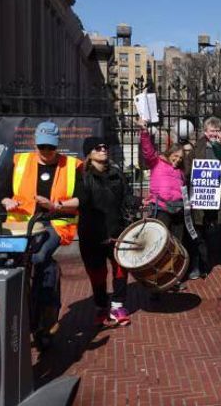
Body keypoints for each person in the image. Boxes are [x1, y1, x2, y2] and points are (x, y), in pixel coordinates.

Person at [0, 121, 82, 342]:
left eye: (50, 147)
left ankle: (46, 316)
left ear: (57, 144)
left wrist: (55, 206)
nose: (45, 151)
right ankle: (9, 306)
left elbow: (81, 198)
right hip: (21, 224)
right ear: (35, 143)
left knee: (39, 257)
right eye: (42, 146)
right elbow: (1, 191)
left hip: (55, 222)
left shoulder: (72, 166)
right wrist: (6, 201)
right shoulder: (19, 161)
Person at [77, 137, 132, 327]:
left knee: (121, 269)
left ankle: (118, 305)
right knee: (97, 273)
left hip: (116, 229)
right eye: (98, 148)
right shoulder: (81, 175)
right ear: (89, 153)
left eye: (104, 147)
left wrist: (135, 201)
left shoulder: (116, 173)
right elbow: (79, 200)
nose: (103, 150)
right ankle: (101, 307)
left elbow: (126, 195)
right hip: (91, 233)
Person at [185, 116, 221, 279]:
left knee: (218, 230)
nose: (214, 133)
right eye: (211, 131)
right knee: (199, 230)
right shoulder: (196, 148)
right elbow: (187, 169)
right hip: (201, 196)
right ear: (205, 132)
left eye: (217, 130)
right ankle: (201, 265)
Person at [138, 119, 188, 288]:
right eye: (176, 156)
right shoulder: (157, 162)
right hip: (161, 208)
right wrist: (144, 132)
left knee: (176, 245)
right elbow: (147, 151)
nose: (178, 159)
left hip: (178, 209)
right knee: (158, 244)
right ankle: (156, 279)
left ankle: (173, 278)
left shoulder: (180, 172)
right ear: (170, 153)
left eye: (181, 158)